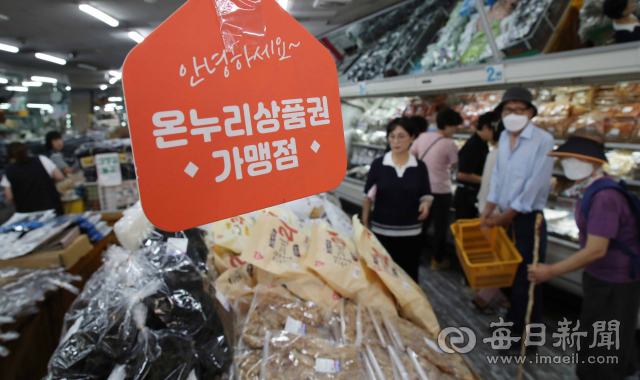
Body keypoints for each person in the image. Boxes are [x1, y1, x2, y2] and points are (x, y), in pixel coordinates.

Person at [528, 131, 640, 380]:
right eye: (566, 158)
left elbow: (597, 249)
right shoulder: (590, 187)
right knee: (609, 335)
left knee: (603, 343)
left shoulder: (604, 196)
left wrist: (550, 271)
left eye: (577, 159)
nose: (569, 164)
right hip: (602, 276)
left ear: (596, 163)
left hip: (614, 281)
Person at [480, 87, 554, 336]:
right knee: (508, 274)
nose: (513, 114)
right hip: (503, 216)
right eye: (508, 109)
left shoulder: (543, 140)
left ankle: (525, 336)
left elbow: (534, 186)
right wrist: (488, 210)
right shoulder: (503, 138)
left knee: (527, 278)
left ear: (530, 112)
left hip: (527, 220)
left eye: (519, 109)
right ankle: (513, 323)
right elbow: (499, 177)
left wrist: (502, 218)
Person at [363, 117, 433, 281]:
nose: (396, 141)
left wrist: (425, 204)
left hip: (411, 232)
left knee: (408, 274)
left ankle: (406, 305)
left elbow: (426, 194)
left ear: (412, 137)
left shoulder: (420, 167)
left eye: (401, 136)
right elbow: (367, 197)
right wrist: (365, 222)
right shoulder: (378, 165)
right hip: (382, 230)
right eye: (392, 136)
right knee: (383, 275)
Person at [411, 108, 461, 270]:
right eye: (454, 127)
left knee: (421, 224)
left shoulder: (423, 137)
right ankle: (436, 260)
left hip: (423, 188)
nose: (455, 130)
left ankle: (415, 255)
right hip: (441, 191)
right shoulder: (450, 144)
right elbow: (456, 165)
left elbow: (412, 155)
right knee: (440, 227)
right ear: (447, 126)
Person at [473, 117, 509, 314]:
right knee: (500, 259)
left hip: (486, 208)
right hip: (495, 213)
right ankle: (483, 298)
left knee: (494, 256)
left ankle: (500, 295)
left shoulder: (494, 152)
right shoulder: (504, 154)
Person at [454, 111, 498, 220]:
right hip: (466, 198)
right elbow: (462, 175)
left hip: (472, 195)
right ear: (486, 127)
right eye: (495, 129)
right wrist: (487, 180)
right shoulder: (473, 146)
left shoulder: (482, 143)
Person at [1, 142, 65, 216]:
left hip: (27, 214)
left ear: (10, 156)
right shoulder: (41, 160)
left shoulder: (8, 171)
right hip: (51, 209)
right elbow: (60, 177)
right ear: (26, 151)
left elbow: (9, 197)